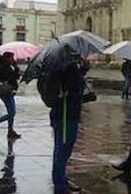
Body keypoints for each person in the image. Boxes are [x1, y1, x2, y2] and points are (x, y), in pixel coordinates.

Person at [50, 49, 88, 194]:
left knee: (59, 149)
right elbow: (74, 91)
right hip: (67, 115)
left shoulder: (57, 66)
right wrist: (81, 75)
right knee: (64, 151)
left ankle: (61, 180)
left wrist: (82, 71)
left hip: (59, 114)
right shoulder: (69, 68)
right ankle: (60, 185)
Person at [0, 53, 22, 139]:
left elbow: (14, 77)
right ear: (7, 58)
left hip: (8, 91)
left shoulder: (6, 66)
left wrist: (14, 67)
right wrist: (15, 68)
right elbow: (12, 77)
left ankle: (10, 131)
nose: (13, 59)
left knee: (11, 112)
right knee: (12, 113)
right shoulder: (5, 67)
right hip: (6, 92)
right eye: (12, 57)